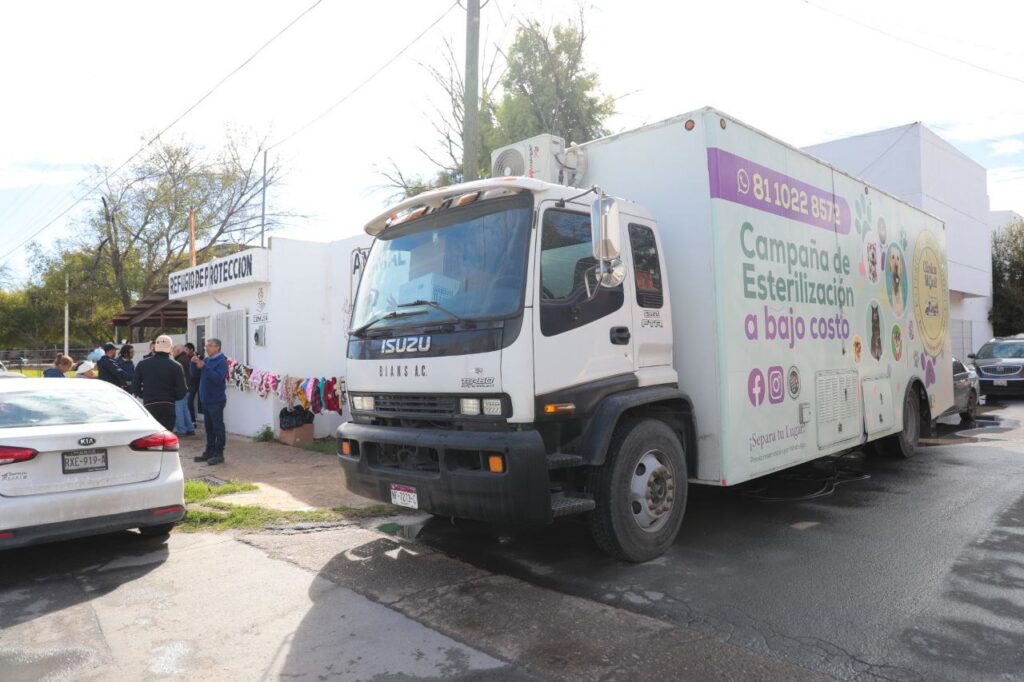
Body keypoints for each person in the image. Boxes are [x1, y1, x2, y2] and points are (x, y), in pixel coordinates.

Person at [131, 335, 186, 431]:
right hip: (168, 405)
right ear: (170, 348)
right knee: (166, 436)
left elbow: (135, 388)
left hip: (149, 404)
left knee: (152, 437)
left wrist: (145, 395)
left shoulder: (142, 364)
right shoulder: (176, 366)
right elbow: (182, 391)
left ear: (154, 347)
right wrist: (172, 397)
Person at [193, 338, 228, 465]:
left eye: (209, 346)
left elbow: (218, 378)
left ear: (217, 347)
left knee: (217, 427)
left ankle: (219, 453)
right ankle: (209, 451)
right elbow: (195, 375)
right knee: (209, 428)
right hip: (206, 399)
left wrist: (204, 367)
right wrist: (194, 364)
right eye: (206, 346)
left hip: (216, 400)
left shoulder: (221, 361)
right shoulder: (207, 360)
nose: (206, 348)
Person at [172, 344, 195, 436]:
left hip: (180, 389)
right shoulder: (186, 359)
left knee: (179, 409)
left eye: (173, 351)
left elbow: (177, 377)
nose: (172, 353)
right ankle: (190, 429)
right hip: (187, 388)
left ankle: (181, 430)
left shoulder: (179, 361)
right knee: (185, 409)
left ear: (178, 351)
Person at [184, 342, 199, 423]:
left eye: (186, 350)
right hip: (189, 384)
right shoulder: (186, 358)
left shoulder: (197, 357)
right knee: (188, 402)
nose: (185, 351)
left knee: (189, 401)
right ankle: (191, 420)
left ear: (191, 350)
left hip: (196, 383)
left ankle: (193, 421)